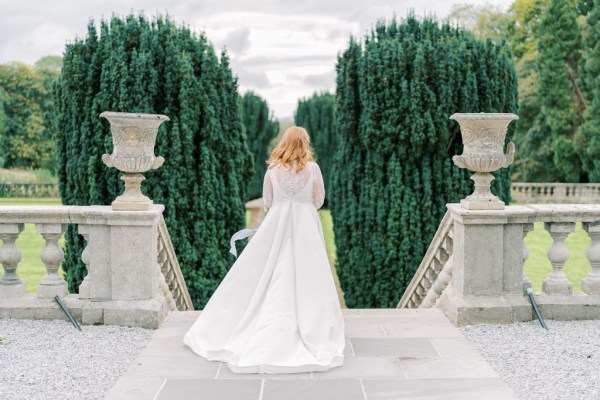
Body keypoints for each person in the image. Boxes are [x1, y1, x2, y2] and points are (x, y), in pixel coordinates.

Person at [183, 126, 345, 374]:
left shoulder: (272, 170)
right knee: (308, 274)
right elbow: (319, 200)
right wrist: (299, 205)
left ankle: (258, 323)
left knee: (266, 271)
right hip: (305, 226)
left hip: (276, 225)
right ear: (304, 143)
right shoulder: (313, 169)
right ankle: (312, 324)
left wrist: (284, 205)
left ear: (285, 142)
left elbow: (268, 202)